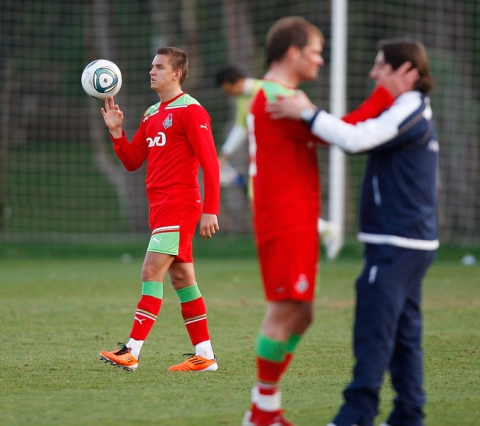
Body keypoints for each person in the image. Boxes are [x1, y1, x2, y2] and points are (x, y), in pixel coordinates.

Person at [242, 17, 418, 426]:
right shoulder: (274, 97)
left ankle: (265, 409)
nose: (321, 59)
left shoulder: (285, 95)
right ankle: (260, 412)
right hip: (283, 217)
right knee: (284, 310)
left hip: (297, 216)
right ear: (293, 52)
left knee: (302, 313)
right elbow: (345, 131)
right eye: (316, 51)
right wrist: (385, 92)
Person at [98, 46, 220, 373]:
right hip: (160, 207)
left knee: (151, 272)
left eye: (159, 67)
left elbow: (211, 164)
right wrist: (116, 132)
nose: (152, 71)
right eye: (152, 66)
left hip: (180, 205)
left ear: (176, 73)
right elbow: (133, 160)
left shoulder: (192, 111)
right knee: (182, 279)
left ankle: (131, 350)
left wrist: (211, 209)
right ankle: (205, 354)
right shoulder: (152, 114)